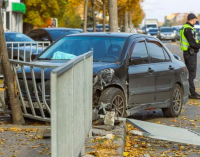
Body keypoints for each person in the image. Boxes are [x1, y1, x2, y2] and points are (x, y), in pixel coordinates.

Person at [180, 13, 200, 99]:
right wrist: (198, 46)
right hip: (190, 53)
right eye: (195, 19)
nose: (195, 21)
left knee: (189, 73)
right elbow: (192, 42)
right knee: (191, 74)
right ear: (192, 20)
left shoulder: (185, 27)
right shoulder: (188, 29)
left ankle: (188, 92)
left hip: (187, 53)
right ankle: (192, 93)